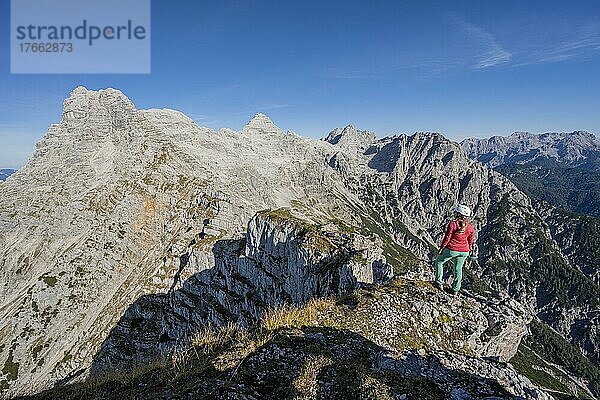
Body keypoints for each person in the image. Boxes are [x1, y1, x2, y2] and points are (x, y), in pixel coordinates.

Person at [434, 204, 475, 295]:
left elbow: (447, 238)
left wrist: (441, 248)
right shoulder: (470, 227)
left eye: (456, 212)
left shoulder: (453, 224)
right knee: (458, 268)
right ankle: (455, 289)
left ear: (459, 214)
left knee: (439, 262)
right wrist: (468, 249)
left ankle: (438, 282)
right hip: (465, 251)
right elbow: (470, 240)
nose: (454, 213)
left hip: (452, 249)